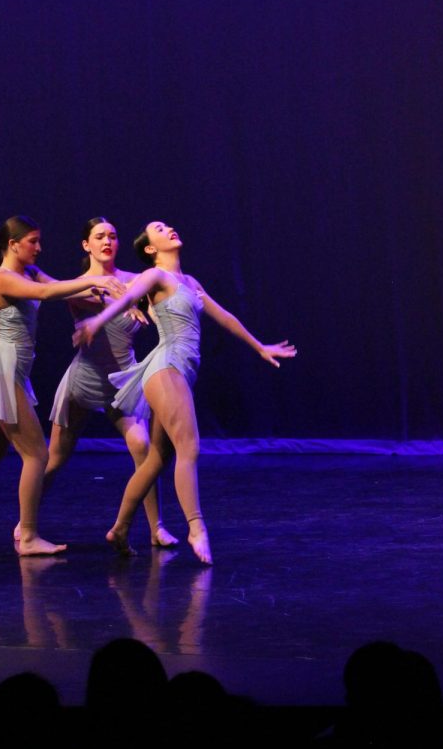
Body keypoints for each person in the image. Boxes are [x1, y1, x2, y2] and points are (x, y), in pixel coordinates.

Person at [73, 221, 296, 563]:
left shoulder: (190, 283)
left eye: (169, 226)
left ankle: (119, 528)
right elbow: (129, 296)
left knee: (157, 460)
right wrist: (96, 322)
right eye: (160, 229)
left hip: (179, 372)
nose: (171, 229)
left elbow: (224, 316)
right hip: (167, 367)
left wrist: (259, 346)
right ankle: (197, 528)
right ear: (150, 248)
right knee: (188, 447)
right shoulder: (155, 276)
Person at [0, 215, 123, 557]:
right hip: (3, 370)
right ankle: (29, 535)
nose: (39, 248)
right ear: (13, 245)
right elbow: (49, 292)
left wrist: (102, 289)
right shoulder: (3, 280)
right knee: (36, 454)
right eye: (33, 241)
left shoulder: (28, 272)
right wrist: (97, 285)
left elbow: (59, 283)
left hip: (9, 370)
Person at [39, 217, 178, 547]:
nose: (107, 241)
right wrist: (110, 295)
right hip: (85, 380)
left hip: (124, 382)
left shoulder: (136, 282)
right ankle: (25, 524)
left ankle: (156, 528)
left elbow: (164, 297)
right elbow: (51, 288)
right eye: (99, 236)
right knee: (55, 458)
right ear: (86, 245)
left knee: (144, 448)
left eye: (113, 236)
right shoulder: (77, 286)